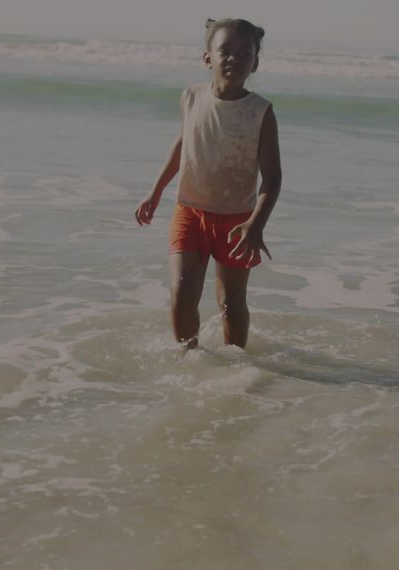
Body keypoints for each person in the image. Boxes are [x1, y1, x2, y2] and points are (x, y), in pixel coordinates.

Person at [135, 17, 281, 350]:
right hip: (189, 211)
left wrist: (256, 224)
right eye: (225, 50)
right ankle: (189, 362)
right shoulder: (191, 97)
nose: (234, 57)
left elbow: (273, 176)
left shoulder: (260, 112)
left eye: (245, 52)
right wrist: (155, 192)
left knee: (231, 302)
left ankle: (236, 367)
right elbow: (181, 146)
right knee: (182, 296)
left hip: (237, 221)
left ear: (255, 63)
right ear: (207, 57)